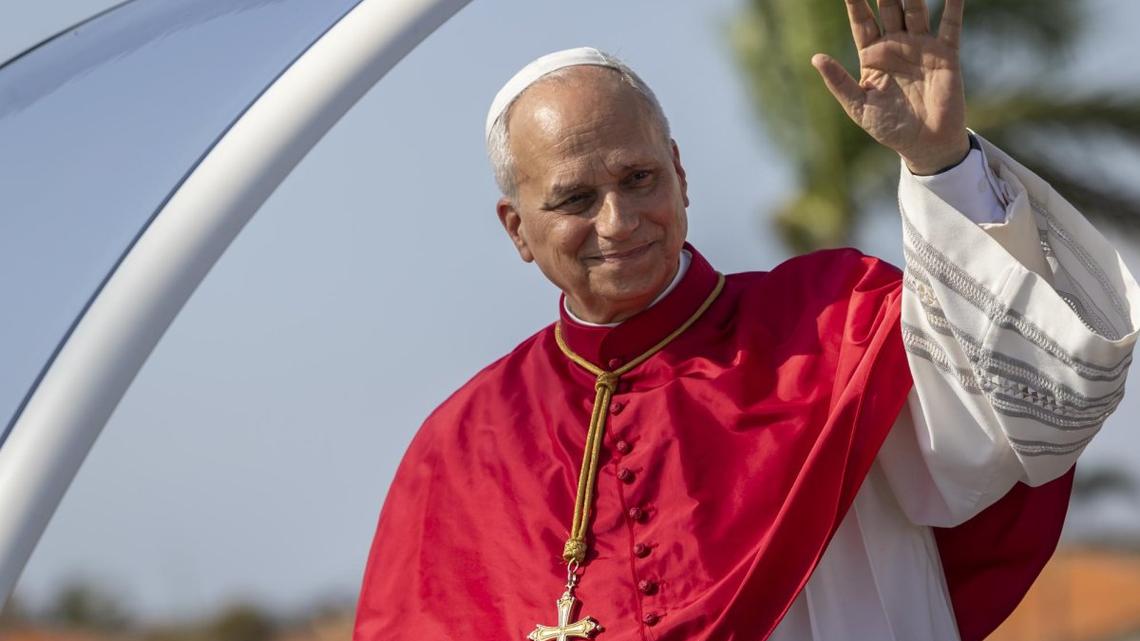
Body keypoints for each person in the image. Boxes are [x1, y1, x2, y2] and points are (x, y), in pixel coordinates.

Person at [353, 1, 1139, 639]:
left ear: (682, 177)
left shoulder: (834, 324)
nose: (619, 219)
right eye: (575, 199)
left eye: (639, 177)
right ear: (517, 229)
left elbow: (1028, 411)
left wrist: (942, 167)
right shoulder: (461, 447)